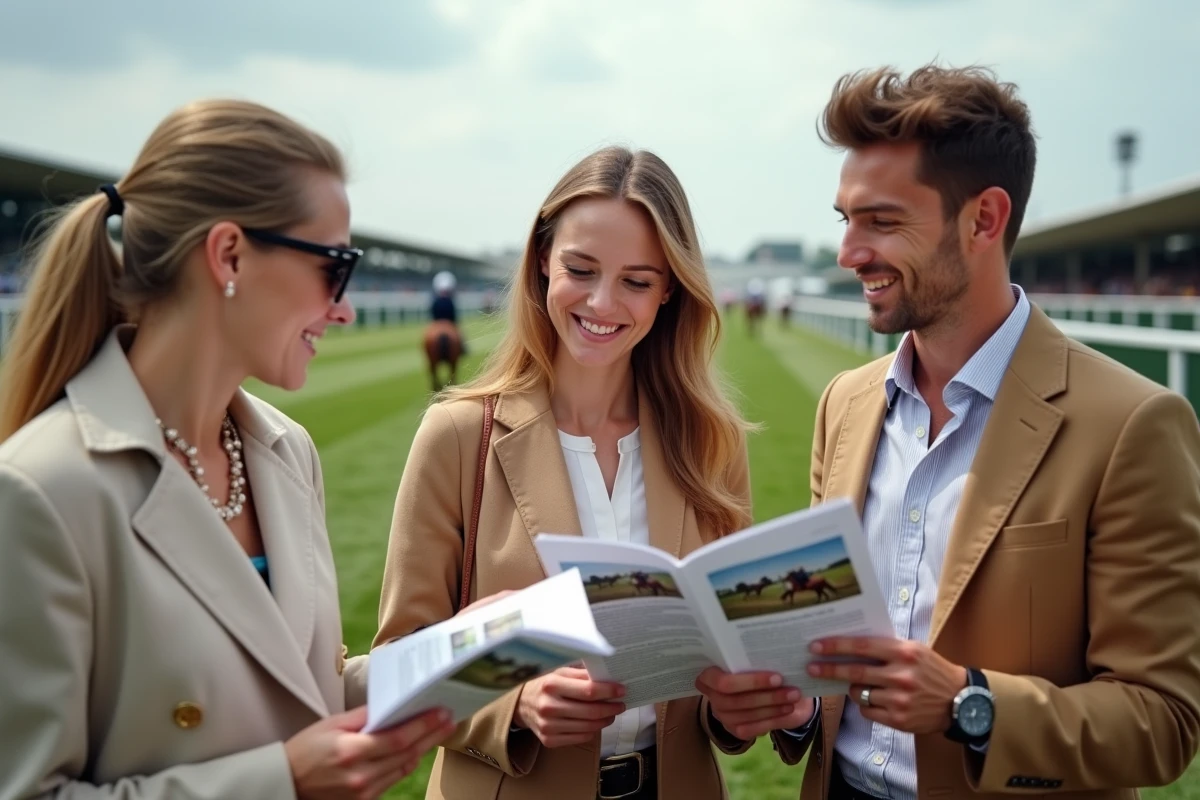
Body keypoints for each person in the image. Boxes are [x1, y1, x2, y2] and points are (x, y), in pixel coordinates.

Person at [705, 64, 1200, 799]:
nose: (848, 254)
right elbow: (835, 657)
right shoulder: (845, 403)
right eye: (847, 219)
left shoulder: (1133, 423)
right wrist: (794, 706)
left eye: (882, 221)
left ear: (984, 219)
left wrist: (973, 705)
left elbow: (1164, 722)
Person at [0, 99, 471, 800]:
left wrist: (464, 651)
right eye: (333, 266)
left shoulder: (287, 450)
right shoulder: (40, 488)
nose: (343, 307)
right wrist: (280, 783)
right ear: (228, 255)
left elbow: (297, 694)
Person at [372, 145, 756, 799]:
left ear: (669, 290)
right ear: (542, 260)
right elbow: (393, 664)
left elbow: (727, 657)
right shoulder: (460, 435)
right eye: (581, 269)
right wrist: (512, 704)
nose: (603, 303)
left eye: (637, 280)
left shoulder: (710, 443)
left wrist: (739, 704)